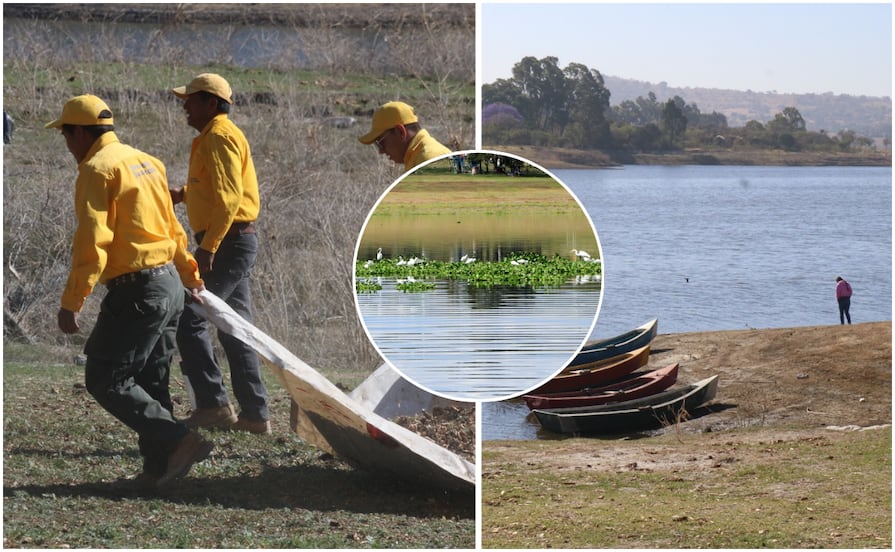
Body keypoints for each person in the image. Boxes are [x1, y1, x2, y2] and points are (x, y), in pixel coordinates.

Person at [47, 94, 212, 490]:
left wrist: (73, 301)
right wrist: (189, 276)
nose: (67, 144)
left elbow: (93, 241)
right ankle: (158, 473)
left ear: (82, 132)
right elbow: (172, 229)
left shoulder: (96, 169)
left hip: (137, 291)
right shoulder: (146, 161)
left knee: (106, 378)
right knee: (152, 381)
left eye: (67, 135)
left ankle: (179, 441)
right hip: (168, 285)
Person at [170, 73, 270, 434]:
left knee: (188, 316)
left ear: (211, 103)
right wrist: (184, 194)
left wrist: (208, 247)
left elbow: (229, 199)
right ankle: (255, 415)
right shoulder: (212, 137)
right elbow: (218, 188)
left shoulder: (220, 137)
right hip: (232, 240)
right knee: (234, 329)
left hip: (227, 242)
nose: (185, 106)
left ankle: (213, 405)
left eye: (191, 100)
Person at [358, 101, 451, 171]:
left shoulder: (429, 159)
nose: (381, 151)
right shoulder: (417, 157)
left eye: (381, 142)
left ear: (400, 132)